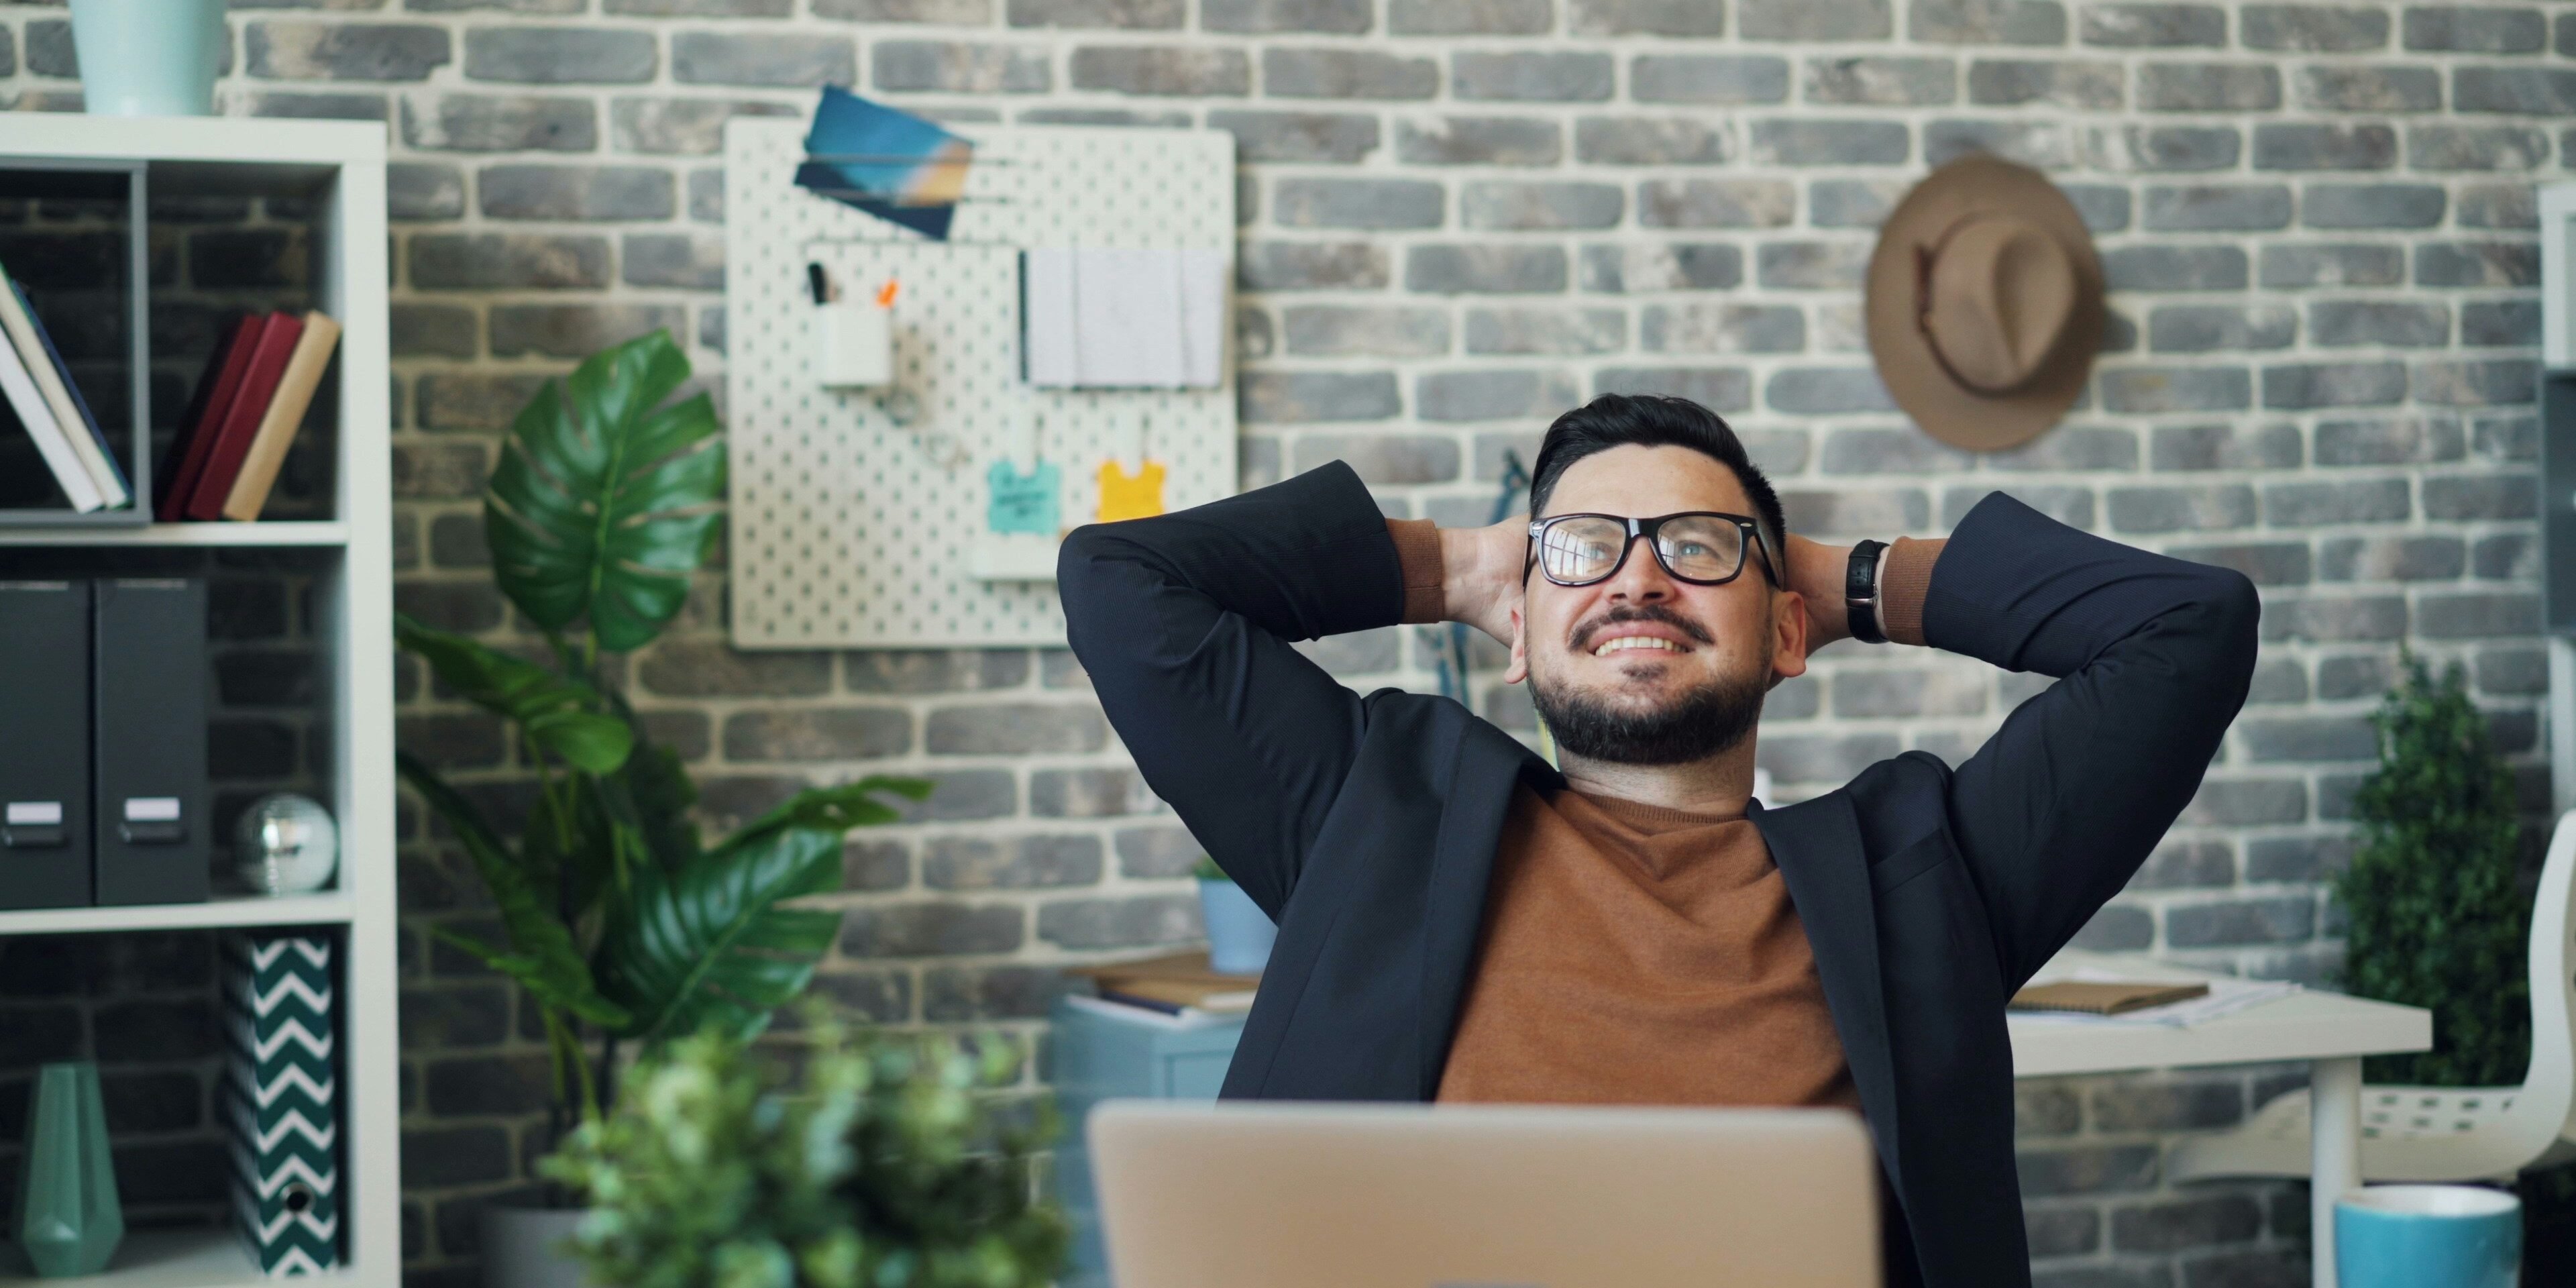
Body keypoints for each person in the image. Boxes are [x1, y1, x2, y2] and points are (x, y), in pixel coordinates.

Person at [1057, 394, 2259, 1288]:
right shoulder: (1373, 817)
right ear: (1517, 632)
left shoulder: (1926, 881)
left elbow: (2187, 627)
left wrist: (1841, 580)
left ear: (1789, 631)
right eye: (1585, 547)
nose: (1638, 577)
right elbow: (1119, 578)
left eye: (1695, 545)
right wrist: (1474, 563)